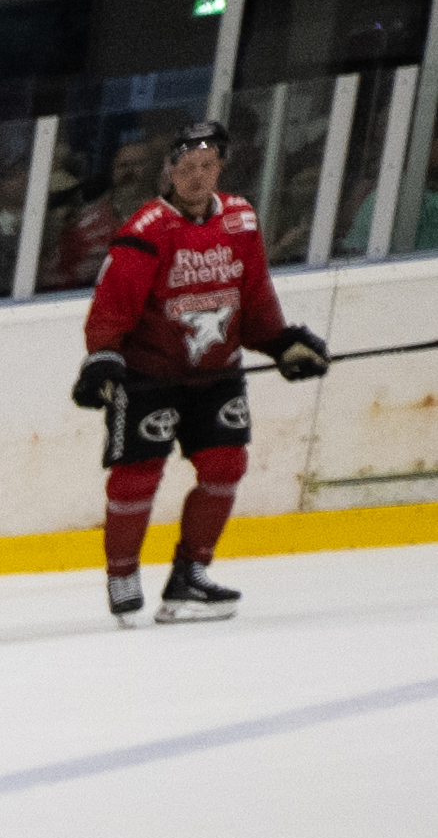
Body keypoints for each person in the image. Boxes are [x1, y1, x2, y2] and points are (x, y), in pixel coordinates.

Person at [78, 116, 321, 622]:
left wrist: (280, 343)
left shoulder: (241, 220)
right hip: (149, 375)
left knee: (225, 465)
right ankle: (122, 573)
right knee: (136, 475)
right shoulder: (146, 232)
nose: (196, 176)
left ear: (221, 168)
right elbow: (112, 306)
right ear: (169, 171)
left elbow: (252, 297)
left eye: (207, 166)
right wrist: (103, 357)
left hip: (215, 375)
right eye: (186, 167)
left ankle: (190, 575)